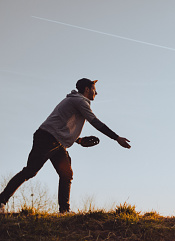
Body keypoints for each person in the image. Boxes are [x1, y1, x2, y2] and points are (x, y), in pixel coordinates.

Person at [0, 78, 131, 214]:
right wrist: (116, 138)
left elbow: (61, 126)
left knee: (66, 174)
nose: (96, 93)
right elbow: (95, 122)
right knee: (30, 171)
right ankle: (1, 201)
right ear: (87, 89)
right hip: (46, 138)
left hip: (56, 141)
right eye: (94, 89)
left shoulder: (75, 101)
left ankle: (64, 210)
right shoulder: (79, 101)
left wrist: (78, 140)